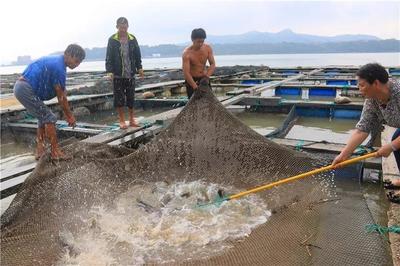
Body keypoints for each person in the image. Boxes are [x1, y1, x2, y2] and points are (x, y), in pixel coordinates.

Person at [332, 63, 400, 202]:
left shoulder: (398, 93)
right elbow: (363, 128)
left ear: (375, 83)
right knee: (396, 139)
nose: (359, 88)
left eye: (362, 85)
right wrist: (344, 154)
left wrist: (391, 146)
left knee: (396, 142)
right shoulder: (372, 99)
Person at [13, 44, 85, 160]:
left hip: (22, 87)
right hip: (25, 88)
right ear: (67, 54)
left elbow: (61, 91)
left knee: (43, 118)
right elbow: (61, 98)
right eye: (75, 61)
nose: (76, 65)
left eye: (79, 63)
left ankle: (40, 151)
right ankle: (55, 151)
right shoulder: (59, 66)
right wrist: (69, 116)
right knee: (49, 117)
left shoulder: (58, 63)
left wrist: (68, 113)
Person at [106, 17, 144, 129]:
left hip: (130, 73)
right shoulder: (112, 39)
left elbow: (137, 54)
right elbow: (109, 56)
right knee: (119, 98)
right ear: (117, 27)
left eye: (125, 27)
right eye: (121, 27)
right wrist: (109, 71)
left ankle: (132, 119)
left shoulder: (132, 38)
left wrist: (140, 67)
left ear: (128, 26)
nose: (123, 30)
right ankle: (122, 120)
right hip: (118, 73)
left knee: (131, 96)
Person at [182, 28, 216, 99]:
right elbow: (186, 73)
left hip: (204, 79)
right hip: (192, 80)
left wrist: (207, 76)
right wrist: (195, 87)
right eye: (198, 42)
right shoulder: (187, 53)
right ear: (192, 40)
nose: (200, 44)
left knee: (209, 101)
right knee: (194, 103)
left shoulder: (208, 48)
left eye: (202, 41)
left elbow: (212, 64)